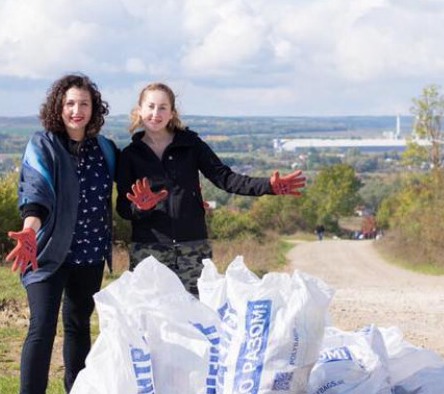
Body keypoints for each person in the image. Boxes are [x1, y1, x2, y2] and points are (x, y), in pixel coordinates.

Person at [5, 73, 117, 394]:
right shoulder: (43, 145)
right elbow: (35, 188)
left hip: (89, 252)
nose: (76, 110)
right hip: (47, 252)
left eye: (83, 103)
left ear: (93, 109)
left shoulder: (106, 150)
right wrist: (29, 227)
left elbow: (127, 192)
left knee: (78, 327)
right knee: (42, 327)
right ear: (58, 106)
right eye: (70, 103)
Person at [116, 82, 305, 296]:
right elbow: (123, 208)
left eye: (162, 107)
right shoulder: (130, 156)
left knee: (195, 318)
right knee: (149, 318)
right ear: (139, 110)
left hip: (192, 248)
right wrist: (141, 207)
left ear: (172, 113)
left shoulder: (191, 145)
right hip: (148, 251)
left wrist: (267, 186)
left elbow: (225, 178)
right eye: (150, 106)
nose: (155, 113)